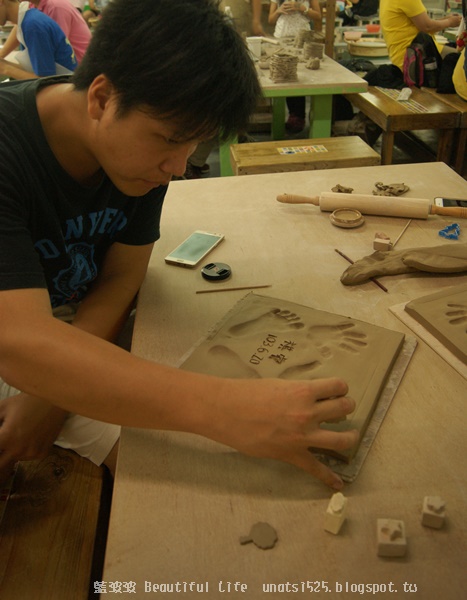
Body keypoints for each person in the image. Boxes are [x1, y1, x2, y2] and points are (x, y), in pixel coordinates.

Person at [0, 0, 358, 491]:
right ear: (101, 99)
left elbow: (122, 275)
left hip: (59, 327)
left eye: (194, 145)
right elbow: (18, 339)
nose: (178, 167)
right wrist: (225, 409)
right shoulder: (9, 148)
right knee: (178, 472)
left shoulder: (142, 159)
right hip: (18, 329)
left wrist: (53, 396)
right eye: (170, 140)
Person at [268, 0, 322, 133]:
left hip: (302, 39)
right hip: (281, 38)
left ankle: (298, 116)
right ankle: (290, 116)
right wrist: (279, 10)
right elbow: (270, 19)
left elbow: (318, 16)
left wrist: (302, 8)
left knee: (300, 76)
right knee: (284, 73)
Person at [0, 0, 77, 79]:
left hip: (65, 83)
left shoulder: (33, 26)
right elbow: (34, 70)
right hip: (61, 81)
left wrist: (5, 69)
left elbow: (46, 80)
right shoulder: (29, 19)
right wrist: (5, 64)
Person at [379, 0, 461, 74]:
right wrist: (449, 22)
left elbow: (421, 24)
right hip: (415, 56)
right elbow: (427, 27)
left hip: (404, 55)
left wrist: (446, 19)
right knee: (461, 60)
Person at [0, 0, 90, 63]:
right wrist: (2, 55)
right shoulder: (32, 6)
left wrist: (7, 68)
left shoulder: (55, 7)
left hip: (80, 66)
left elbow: (56, 49)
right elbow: (20, 24)